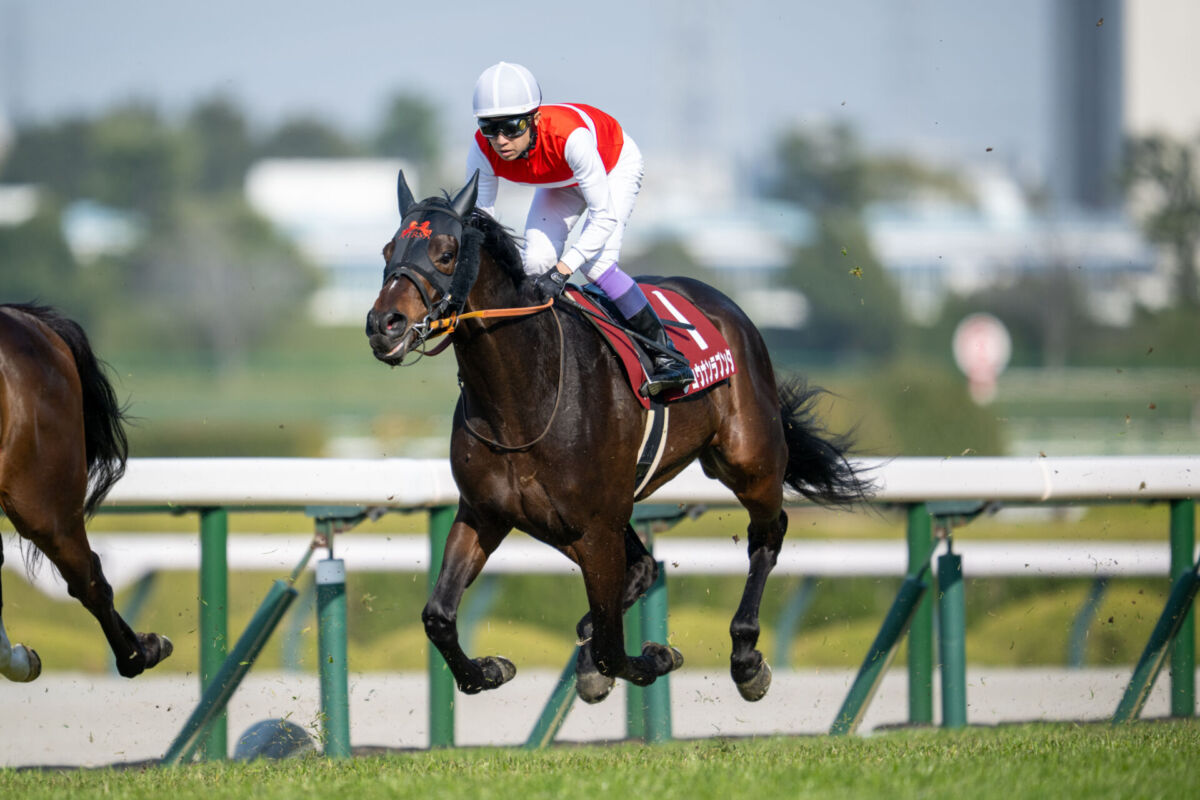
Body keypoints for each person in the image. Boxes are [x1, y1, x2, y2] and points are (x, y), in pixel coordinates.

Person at [466, 61, 694, 398]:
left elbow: (603, 218)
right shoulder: (481, 148)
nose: (500, 140)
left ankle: (667, 355)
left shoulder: (570, 137)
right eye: (489, 128)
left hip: (613, 165)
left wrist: (562, 272)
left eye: (512, 127)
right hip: (560, 180)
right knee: (535, 263)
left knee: (596, 265)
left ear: (535, 119)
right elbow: (481, 223)